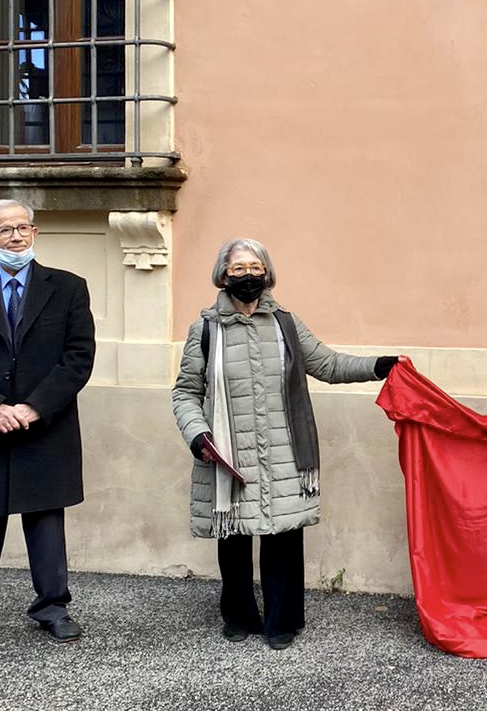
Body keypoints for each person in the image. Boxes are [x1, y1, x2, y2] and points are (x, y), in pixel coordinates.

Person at [172, 238, 401, 650]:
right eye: (238, 268)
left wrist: (378, 366)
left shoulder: (286, 325)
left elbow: (328, 365)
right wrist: (197, 434)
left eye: (254, 267)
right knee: (235, 540)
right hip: (229, 453)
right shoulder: (206, 329)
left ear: (267, 273)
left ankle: (283, 620)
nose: (247, 275)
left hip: (284, 453)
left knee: (283, 538)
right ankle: (238, 615)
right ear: (223, 276)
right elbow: (186, 391)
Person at [0, 199, 96, 659]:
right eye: (5, 231)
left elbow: (78, 357)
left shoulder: (67, 288)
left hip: (45, 426)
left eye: (23, 228)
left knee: (46, 520)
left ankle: (52, 609)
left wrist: (33, 407)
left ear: (35, 232)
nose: (16, 237)